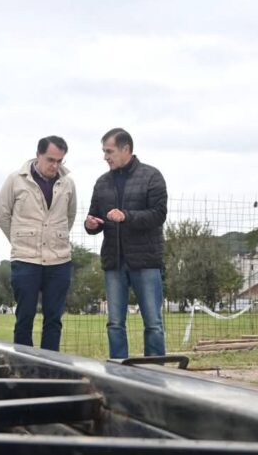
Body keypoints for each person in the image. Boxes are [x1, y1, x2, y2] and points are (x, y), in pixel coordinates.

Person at [85, 128, 167, 359]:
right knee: (114, 323)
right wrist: (91, 224)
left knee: (153, 323)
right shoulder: (102, 183)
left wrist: (126, 216)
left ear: (126, 149)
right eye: (104, 152)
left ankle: (154, 370)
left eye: (109, 151)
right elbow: (95, 216)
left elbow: (158, 214)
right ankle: (117, 369)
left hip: (145, 261)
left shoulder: (152, 176)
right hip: (114, 262)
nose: (105, 157)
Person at [0, 136, 76, 350]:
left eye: (60, 161)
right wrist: (20, 240)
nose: (55, 165)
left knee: (54, 320)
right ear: (38, 155)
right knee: (25, 317)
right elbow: (2, 215)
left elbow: (70, 216)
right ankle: (23, 365)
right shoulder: (15, 180)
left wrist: (54, 239)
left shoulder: (68, 183)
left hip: (59, 261)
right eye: (50, 159)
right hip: (25, 259)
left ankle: (51, 365)